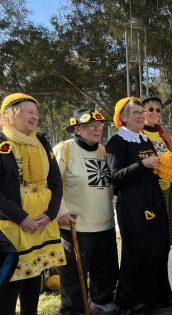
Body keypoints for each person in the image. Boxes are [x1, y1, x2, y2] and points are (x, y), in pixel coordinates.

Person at [0, 93, 66, 315]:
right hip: (12, 226)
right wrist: (22, 218)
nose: (35, 116)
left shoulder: (42, 141)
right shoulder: (2, 143)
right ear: (11, 114)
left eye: (36, 113)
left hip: (41, 224)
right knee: (10, 283)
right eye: (29, 111)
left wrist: (50, 214)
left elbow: (56, 182)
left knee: (33, 279)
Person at [106, 97, 171, 313]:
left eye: (142, 112)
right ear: (123, 117)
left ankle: (155, 298)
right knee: (136, 252)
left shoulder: (144, 139)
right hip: (132, 204)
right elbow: (115, 177)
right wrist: (141, 164)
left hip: (153, 198)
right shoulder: (117, 142)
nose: (141, 116)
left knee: (156, 247)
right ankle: (128, 301)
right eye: (136, 113)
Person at [53, 108, 118, 314]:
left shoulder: (103, 151)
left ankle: (101, 300)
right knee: (73, 273)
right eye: (90, 126)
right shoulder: (65, 149)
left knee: (105, 268)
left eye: (99, 126)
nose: (97, 129)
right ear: (77, 129)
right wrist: (60, 211)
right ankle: (74, 308)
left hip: (105, 221)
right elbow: (52, 183)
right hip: (75, 223)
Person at [141, 95, 172, 243]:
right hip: (150, 190)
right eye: (150, 109)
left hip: (167, 188)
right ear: (141, 111)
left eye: (158, 109)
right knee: (154, 231)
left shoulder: (163, 134)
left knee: (170, 232)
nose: (155, 112)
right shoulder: (137, 135)